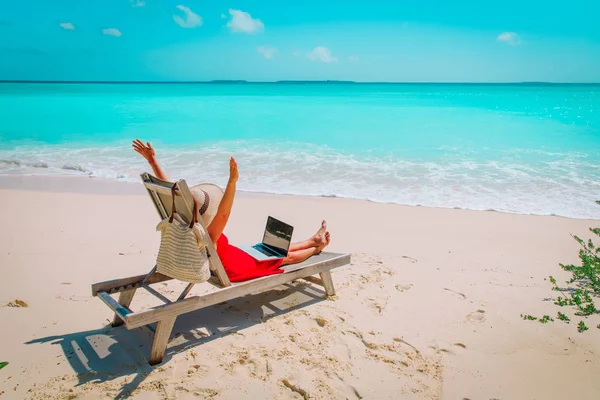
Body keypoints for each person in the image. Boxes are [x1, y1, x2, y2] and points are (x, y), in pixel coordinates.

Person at [132, 139, 331, 282]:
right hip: (232, 269)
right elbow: (224, 214)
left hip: (232, 256)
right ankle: (317, 248)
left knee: (266, 249)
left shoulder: (178, 219)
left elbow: (171, 193)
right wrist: (232, 182)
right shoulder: (207, 234)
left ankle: (312, 240)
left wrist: (152, 162)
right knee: (281, 258)